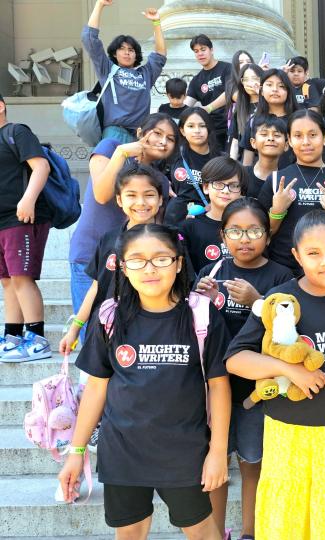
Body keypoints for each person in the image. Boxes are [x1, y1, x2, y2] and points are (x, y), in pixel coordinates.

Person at [58, 224, 231, 539]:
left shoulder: (201, 314)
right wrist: (76, 450)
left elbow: (219, 386)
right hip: (122, 451)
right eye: (137, 260)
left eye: (161, 259)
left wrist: (218, 451)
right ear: (123, 267)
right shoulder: (109, 317)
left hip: (185, 451)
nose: (150, 269)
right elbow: (97, 387)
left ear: (178, 262)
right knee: (130, 531)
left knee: (202, 530)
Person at [224, 210, 325, 540]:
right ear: (296, 256)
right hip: (288, 439)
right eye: (313, 253)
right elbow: (236, 360)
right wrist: (289, 369)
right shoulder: (281, 303)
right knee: (288, 524)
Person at [194, 198, 293, 540]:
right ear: (222, 235)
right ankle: (216, 533)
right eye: (235, 231)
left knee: (253, 463)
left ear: (267, 235)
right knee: (216, 465)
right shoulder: (212, 272)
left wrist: (257, 301)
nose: (244, 238)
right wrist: (200, 299)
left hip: (258, 389)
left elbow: (290, 331)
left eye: (254, 230)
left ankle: (251, 533)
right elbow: (197, 329)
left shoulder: (280, 275)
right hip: (216, 387)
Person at [71, 113, 177, 345]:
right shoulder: (110, 147)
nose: (162, 141)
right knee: (92, 336)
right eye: (157, 133)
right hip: (91, 252)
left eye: (170, 138)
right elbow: (101, 194)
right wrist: (121, 153)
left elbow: (154, 229)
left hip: (134, 263)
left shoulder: (161, 180)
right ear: (140, 132)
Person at [58, 165, 166, 357]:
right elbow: (95, 288)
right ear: (119, 200)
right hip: (110, 331)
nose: (141, 202)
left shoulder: (172, 241)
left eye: (149, 195)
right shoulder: (109, 240)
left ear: (160, 199)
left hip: (157, 334)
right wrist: (74, 329)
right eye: (131, 195)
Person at [0, 94, 53, 361]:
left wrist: (28, 199)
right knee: (7, 281)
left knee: (21, 278)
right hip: (2, 222)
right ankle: (12, 337)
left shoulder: (15, 132)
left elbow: (41, 166)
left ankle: (37, 339)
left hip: (20, 218)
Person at [258, 109, 325, 273]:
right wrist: (277, 211)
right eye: (298, 135)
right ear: (289, 140)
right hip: (281, 270)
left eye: (312, 135)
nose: (305, 142)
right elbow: (261, 234)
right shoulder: (275, 180)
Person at [81, 0, 166, 143]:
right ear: (115, 53)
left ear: (136, 54)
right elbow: (90, 39)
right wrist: (99, 4)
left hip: (139, 135)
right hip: (115, 132)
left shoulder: (145, 74)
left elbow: (160, 55)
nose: (127, 53)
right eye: (122, 49)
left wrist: (156, 23)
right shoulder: (107, 69)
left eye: (131, 50)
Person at [180, 157, 246, 271]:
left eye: (233, 185)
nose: (225, 190)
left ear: (241, 191)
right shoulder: (190, 227)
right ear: (206, 187)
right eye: (219, 184)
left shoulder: (248, 226)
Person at [165, 107, 220, 226]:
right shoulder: (173, 154)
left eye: (202, 126)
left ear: (208, 129)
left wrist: (215, 207)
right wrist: (164, 182)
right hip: (175, 218)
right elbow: (153, 171)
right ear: (182, 130)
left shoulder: (220, 159)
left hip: (207, 219)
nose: (197, 130)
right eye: (191, 126)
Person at [185, 34, 232, 149]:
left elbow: (231, 92)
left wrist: (209, 108)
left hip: (232, 126)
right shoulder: (196, 81)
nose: (200, 53)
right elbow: (186, 105)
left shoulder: (228, 68)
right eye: (196, 51)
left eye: (203, 49)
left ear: (211, 50)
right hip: (211, 131)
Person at [244, 115, 288, 197]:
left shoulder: (289, 178)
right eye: (264, 134)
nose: (271, 138)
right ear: (253, 143)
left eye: (277, 135)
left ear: (286, 145)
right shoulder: (241, 176)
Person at [229, 62, 264, 165]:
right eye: (246, 79)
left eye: (254, 78)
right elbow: (235, 141)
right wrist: (232, 164)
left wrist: (262, 93)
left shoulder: (270, 103)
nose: (250, 83)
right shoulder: (240, 107)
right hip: (245, 162)